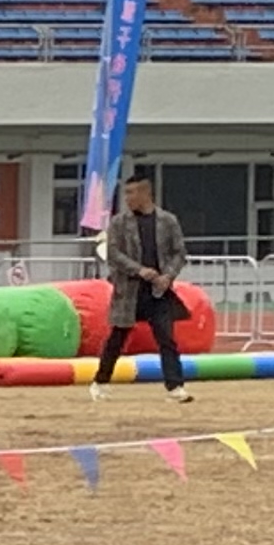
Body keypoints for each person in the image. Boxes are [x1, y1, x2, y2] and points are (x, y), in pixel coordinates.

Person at [94, 166, 192, 399]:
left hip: (159, 292)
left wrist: (167, 276)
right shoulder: (119, 223)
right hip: (130, 291)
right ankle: (100, 381)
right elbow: (114, 253)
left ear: (146, 193)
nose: (128, 198)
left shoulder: (168, 221)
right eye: (125, 193)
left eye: (132, 193)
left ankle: (175, 386)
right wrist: (139, 270)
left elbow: (180, 253)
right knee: (118, 337)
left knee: (166, 339)